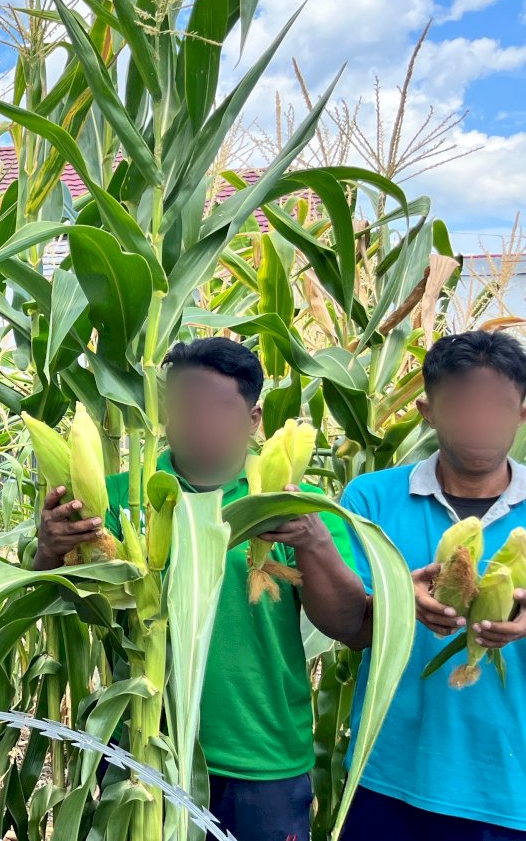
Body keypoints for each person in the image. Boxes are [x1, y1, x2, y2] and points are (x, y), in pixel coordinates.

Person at [32, 337, 368, 841]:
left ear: (254, 419)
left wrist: (315, 543)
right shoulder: (124, 495)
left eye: (216, 408)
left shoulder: (294, 507)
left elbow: (348, 625)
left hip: (264, 760)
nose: (196, 423)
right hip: (146, 754)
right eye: (183, 406)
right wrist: (51, 548)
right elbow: (50, 594)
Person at [338, 330, 526, 841]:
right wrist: (396, 602)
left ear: (522, 412)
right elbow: (347, 623)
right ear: (427, 410)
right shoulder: (371, 499)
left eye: (498, 405)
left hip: (511, 787)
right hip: (390, 773)